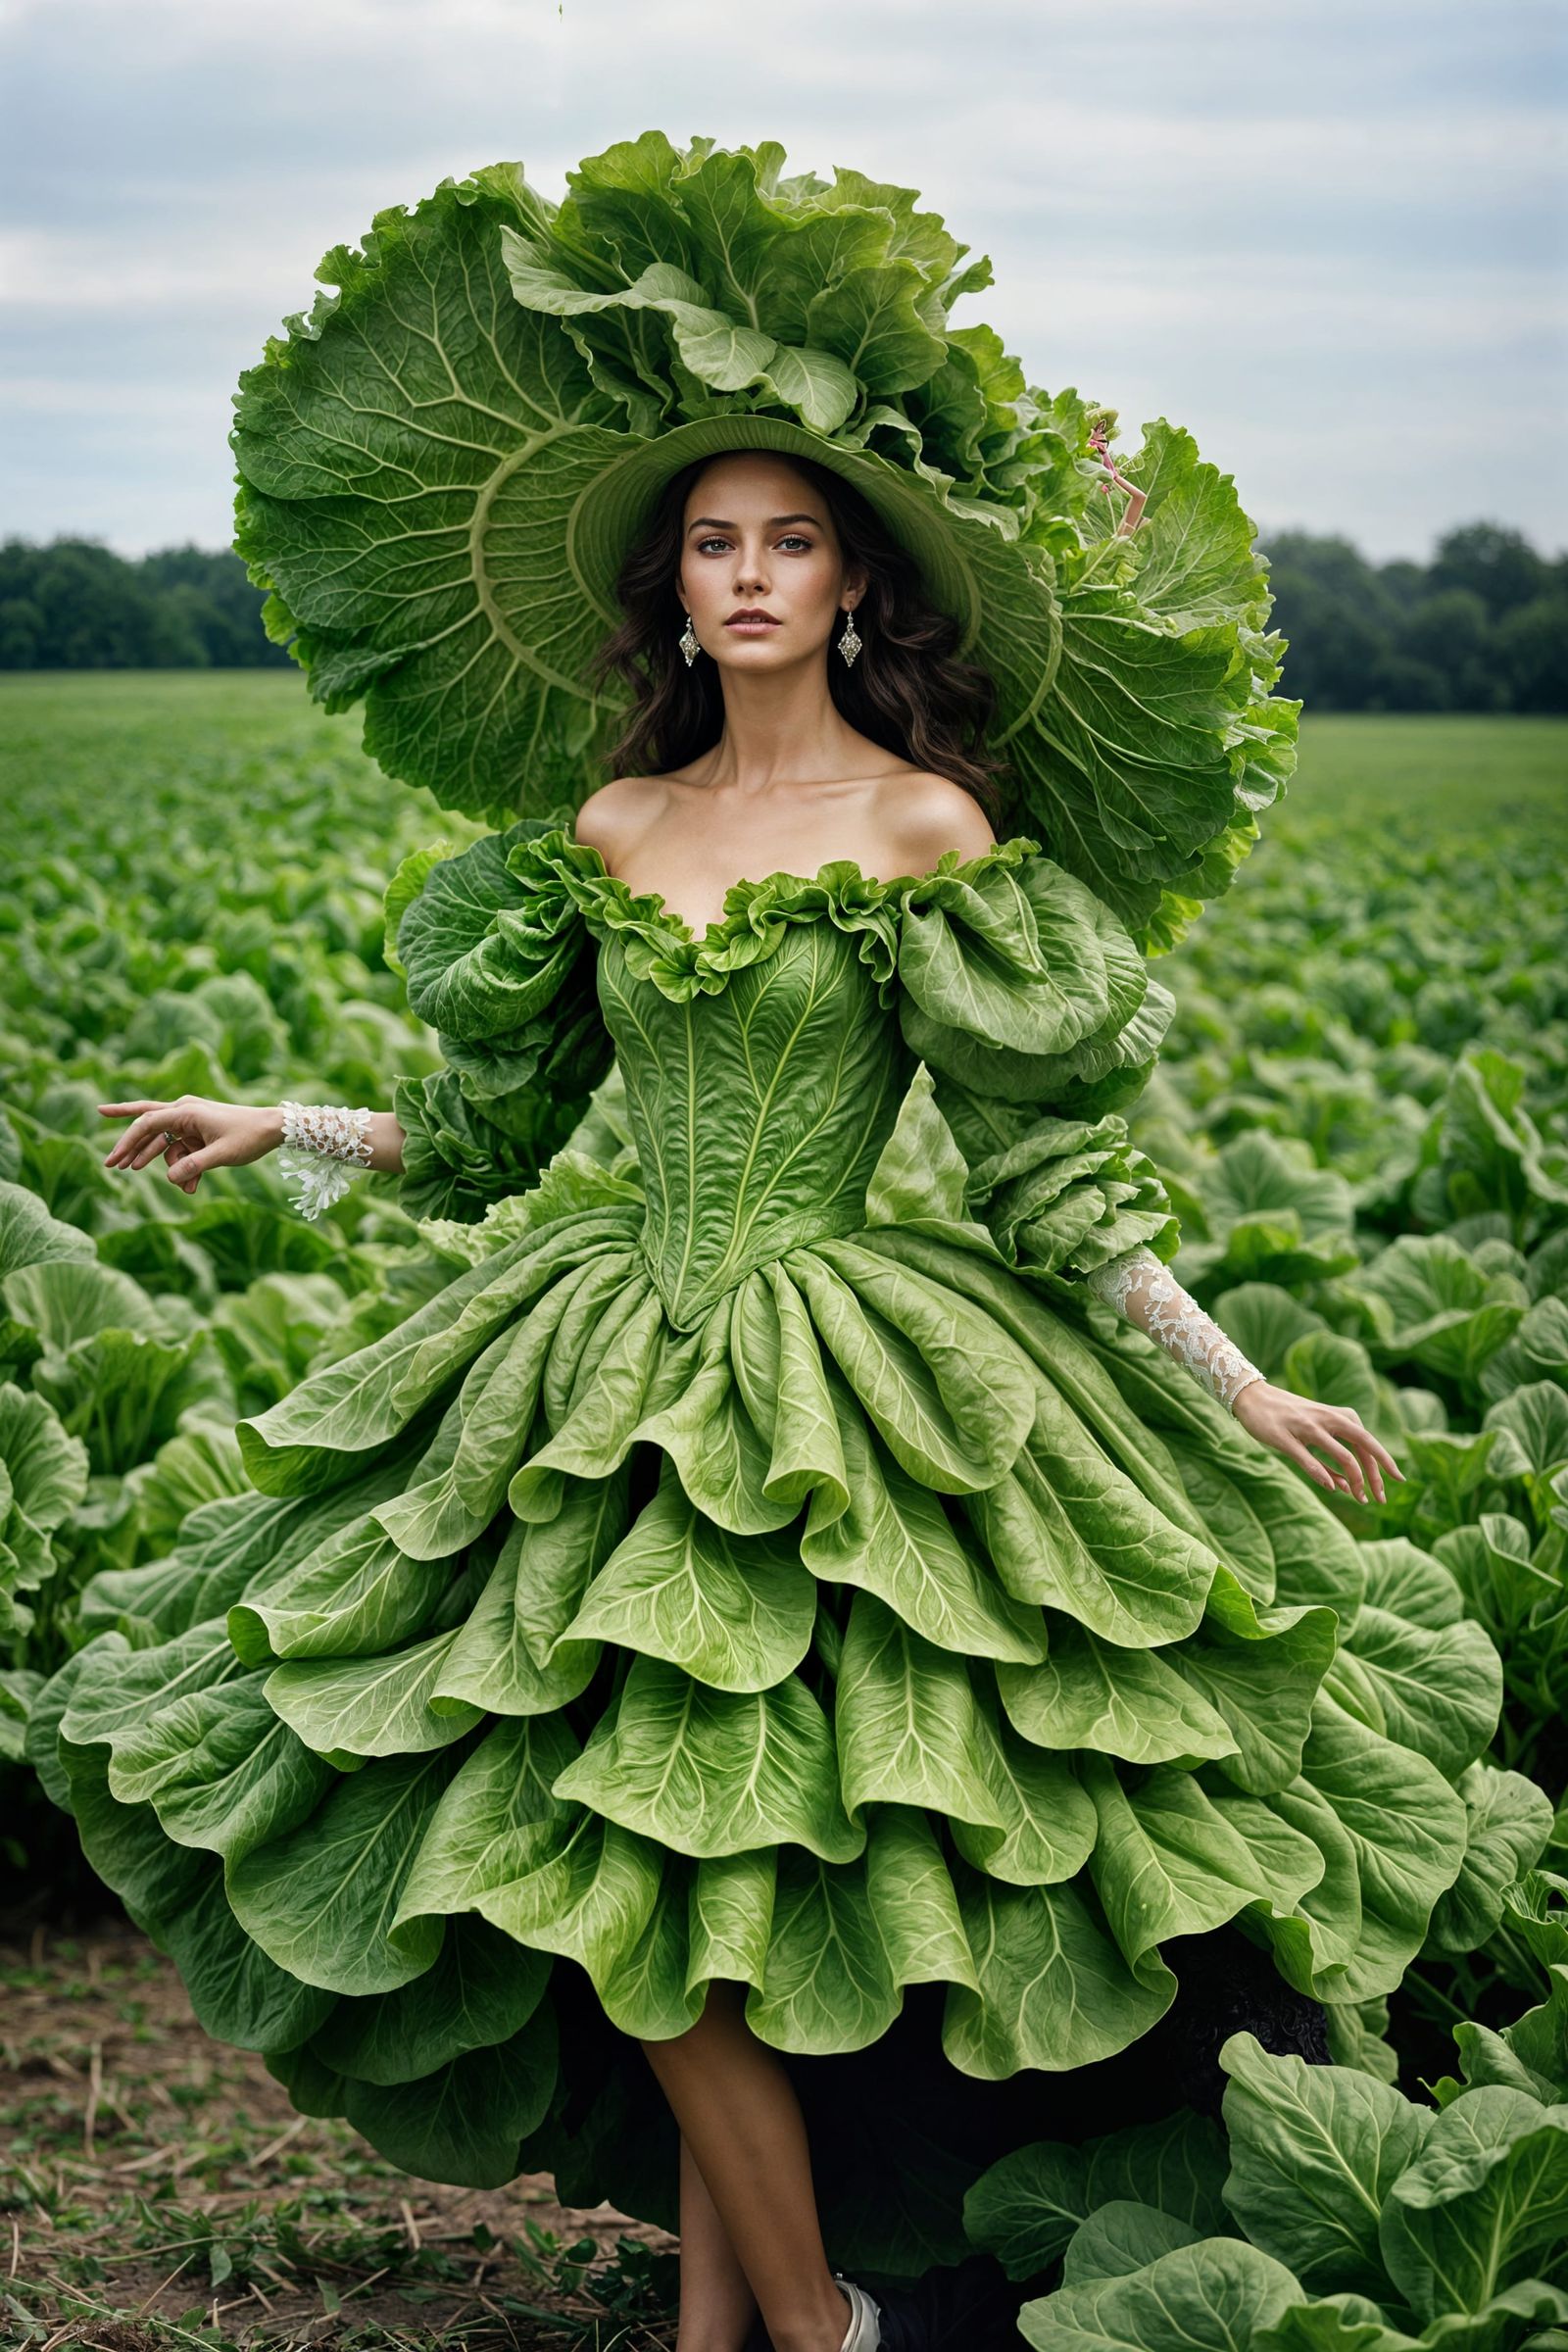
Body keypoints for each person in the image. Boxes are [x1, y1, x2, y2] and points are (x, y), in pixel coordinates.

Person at [52, 133, 1473, 2352]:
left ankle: (779, 2330)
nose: (746, 575)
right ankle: (790, 2329)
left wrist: (1233, 1374)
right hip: (602, 1370)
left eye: (788, 541)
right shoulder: (616, 823)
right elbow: (492, 1137)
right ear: (672, 586)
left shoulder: (925, 824)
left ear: (850, 584)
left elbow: (1042, 1178)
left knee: (721, 1891)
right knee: (632, 1886)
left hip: (842, 1384)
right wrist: (279, 1123)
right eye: (712, 542)